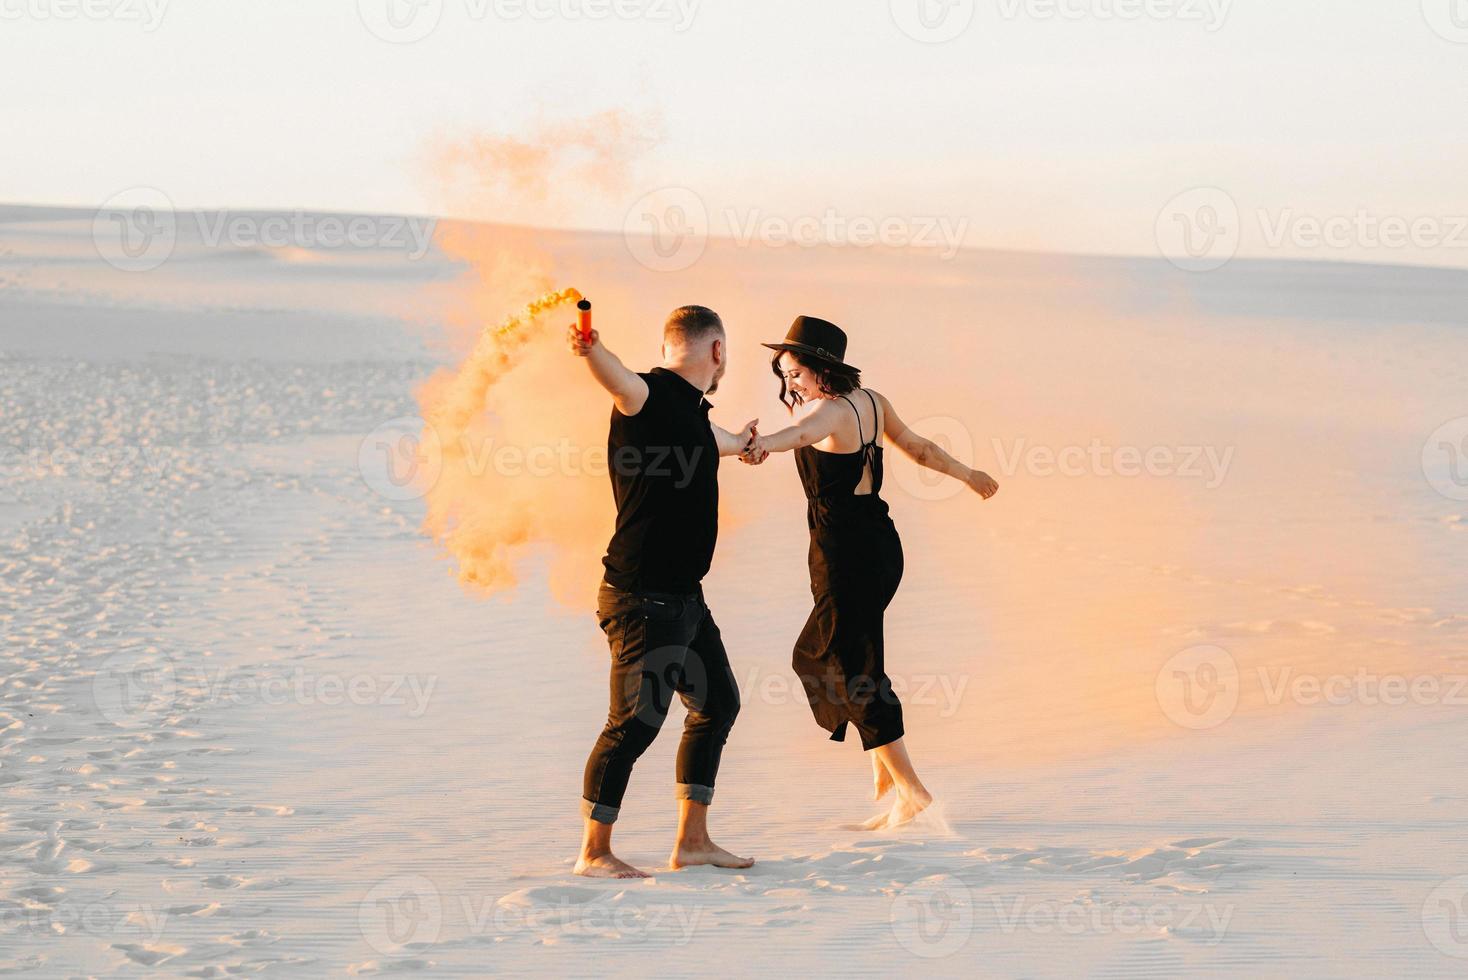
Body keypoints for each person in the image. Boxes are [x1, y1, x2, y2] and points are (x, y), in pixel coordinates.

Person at [742, 316, 999, 830]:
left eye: (795, 373)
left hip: (843, 553)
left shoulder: (826, 413)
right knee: (855, 657)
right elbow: (919, 447)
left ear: (822, 370)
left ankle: (911, 789)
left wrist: (759, 442)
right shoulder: (871, 401)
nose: (788, 383)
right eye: (784, 374)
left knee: (842, 666)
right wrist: (970, 475)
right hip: (881, 545)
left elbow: (798, 432)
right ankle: (886, 777)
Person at [567, 305, 757, 877]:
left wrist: (749, 441)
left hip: (685, 600)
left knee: (718, 704)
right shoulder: (646, 394)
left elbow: (716, 441)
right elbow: (619, 378)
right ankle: (593, 852)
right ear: (717, 350)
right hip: (641, 599)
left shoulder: (693, 417)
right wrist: (592, 349)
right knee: (634, 723)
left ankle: (692, 842)